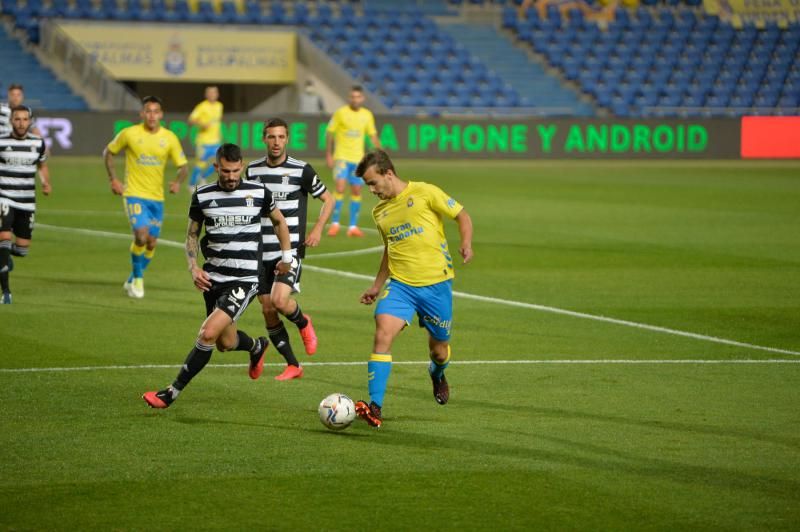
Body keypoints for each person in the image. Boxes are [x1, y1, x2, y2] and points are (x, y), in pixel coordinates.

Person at [142, 143, 294, 409]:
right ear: (216, 167)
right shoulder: (202, 195)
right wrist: (193, 267)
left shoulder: (258, 192)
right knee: (226, 342)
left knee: (207, 333)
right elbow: (192, 234)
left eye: (235, 171)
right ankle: (256, 346)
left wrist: (287, 257)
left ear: (242, 166)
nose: (231, 176)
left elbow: (279, 221)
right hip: (213, 280)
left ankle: (171, 393)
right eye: (226, 171)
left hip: (245, 279)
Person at [354, 150, 473, 428]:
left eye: (373, 183)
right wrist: (377, 285)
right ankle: (375, 406)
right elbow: (390, 249)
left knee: (439, 351)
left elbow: (462, 215)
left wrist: (466, 243)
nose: (371, 190)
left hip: (436, 286)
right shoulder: (379, 212)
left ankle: (437, 373)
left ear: (388, 174)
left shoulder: (425, 192)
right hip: (401, 287)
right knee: (383, 332)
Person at [246, 118, 334, 380]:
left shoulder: (301, 170)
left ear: (287, 139)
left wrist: (317, 229)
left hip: (289, 250)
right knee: (268, 310)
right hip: (260, 251)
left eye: (281, 137)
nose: (276, 142)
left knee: (279, 301)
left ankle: (304, 322)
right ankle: (293, 365)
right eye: (271, 137)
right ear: (264, 139)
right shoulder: (252, 171)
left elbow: (328, 199)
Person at [103, 96, 188, 299]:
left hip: (156, 198)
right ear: (142, 113)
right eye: (148, 111)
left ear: (161, 114)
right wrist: (113, 179)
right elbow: (108, 152)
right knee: (141, 236)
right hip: (134, 194)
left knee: (151, 243)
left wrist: (178, 182)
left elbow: (183, 166)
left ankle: (132, 277)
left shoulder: (169, 138)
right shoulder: (129, 133)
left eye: (155, 111)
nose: (152, 115)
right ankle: (138, 282)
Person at [0, 105, 52, 304]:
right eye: (17, 119)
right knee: (4, 239)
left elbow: (42, 165)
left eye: (24, 119)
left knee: (22, 250)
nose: (21, 123)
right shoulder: (2, 141)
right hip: (4, 197)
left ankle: (4, 254)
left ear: (30, 121)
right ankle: (6, 292)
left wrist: (46, 182)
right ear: (11, 121)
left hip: (27, 201)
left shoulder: (38, 143)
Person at [325, 85, 381, 238]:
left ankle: (353, 226)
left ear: (362, 98)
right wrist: (329, 154)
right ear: (349, 98)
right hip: (341, 157)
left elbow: (372, 135)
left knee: (356, 190)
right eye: (352, 97)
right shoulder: (340, 113)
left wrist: (380, 153)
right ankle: (335, 224)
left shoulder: (367, 115)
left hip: (358, 160)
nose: (355, 99)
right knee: (340, 188)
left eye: (358, 97)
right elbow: (330, 132)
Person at [188, 85, 223, 189]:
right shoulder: (201, 106)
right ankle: (191, 184)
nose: (212, 95)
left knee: (219, 162)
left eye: (214, 92)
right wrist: (201, 124)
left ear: (217, 94)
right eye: (210, 93)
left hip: (216, 141)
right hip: (203, 142)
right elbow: (191, 120)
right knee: (200, 164)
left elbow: (217, 122)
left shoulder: (219, 106)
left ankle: (203, 177)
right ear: (206, 95)